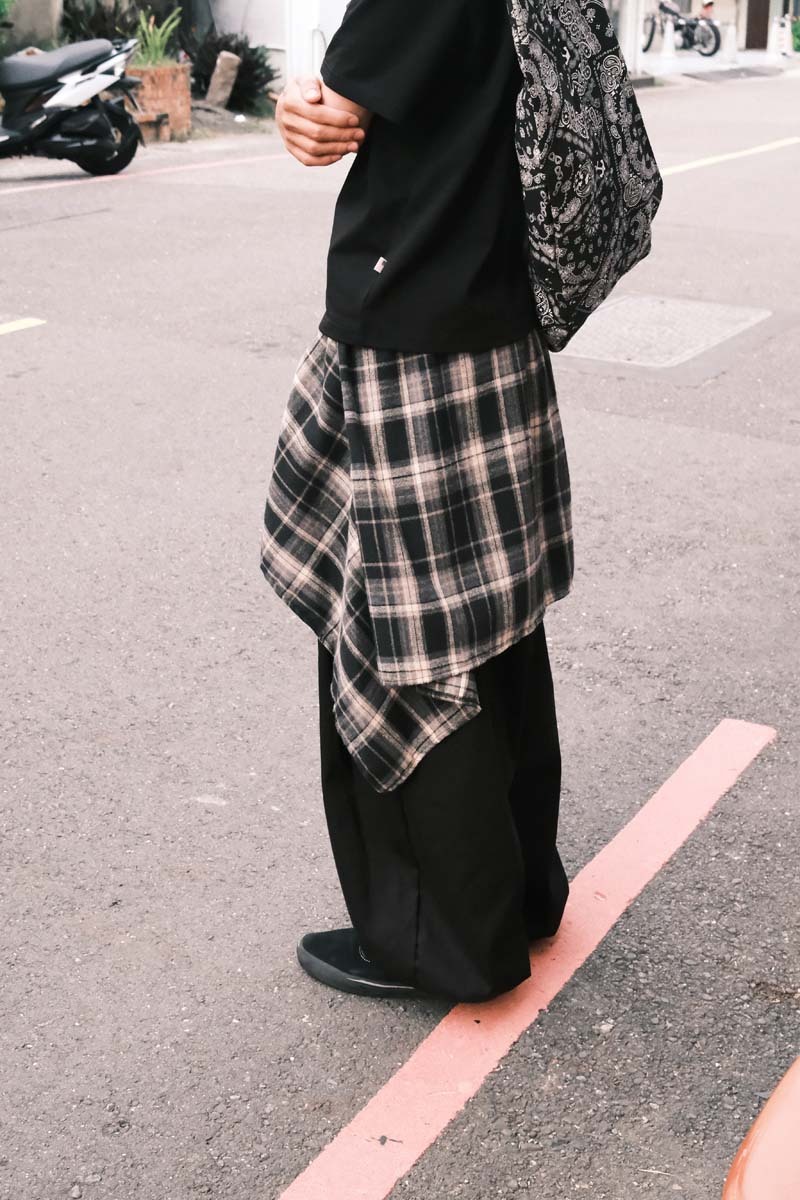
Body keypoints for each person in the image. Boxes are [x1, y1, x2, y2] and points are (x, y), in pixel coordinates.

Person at [260, 0, 574, 1004]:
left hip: (413, 321)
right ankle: (518, 893)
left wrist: (299, 104)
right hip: (497, 309)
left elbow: (331, 118)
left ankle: (440, 941)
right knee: (494, 626)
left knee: (402, 642)